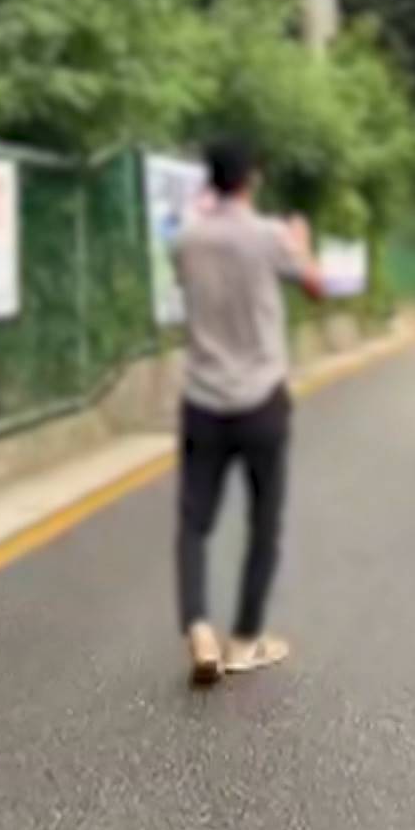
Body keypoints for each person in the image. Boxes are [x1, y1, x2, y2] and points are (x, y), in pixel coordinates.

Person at [171, 138, 324, 686]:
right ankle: (243, 641)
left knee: (194, 520)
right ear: (252, 177)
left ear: (210, 179)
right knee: (264, 520)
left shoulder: (185, 240)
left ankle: (197, 628)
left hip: (202, 397)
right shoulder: (270, 236)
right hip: (261, 397)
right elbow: (317, 286)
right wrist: (302, 245)